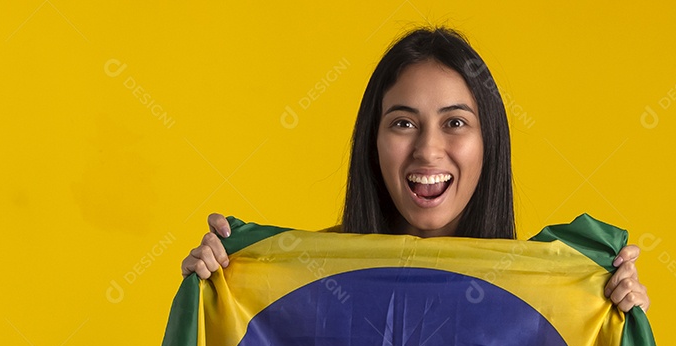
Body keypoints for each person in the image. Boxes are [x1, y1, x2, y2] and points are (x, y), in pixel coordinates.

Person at [180, 25, 649, 312]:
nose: (428, 150)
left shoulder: (543, 302)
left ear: (489, 143)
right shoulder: (307, 283)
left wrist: (607, 320)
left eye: (455, 122)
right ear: (373, 141)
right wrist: (220, 288)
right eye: (403, 123)